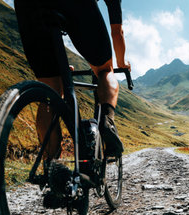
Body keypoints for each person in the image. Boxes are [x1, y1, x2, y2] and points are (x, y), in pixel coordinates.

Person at [14, 0, 130, 160]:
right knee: (104, 70)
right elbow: (117, 32)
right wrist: (122, 63)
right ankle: (107, 123)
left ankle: (51, 164)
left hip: (28, 7)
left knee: (51, 89)